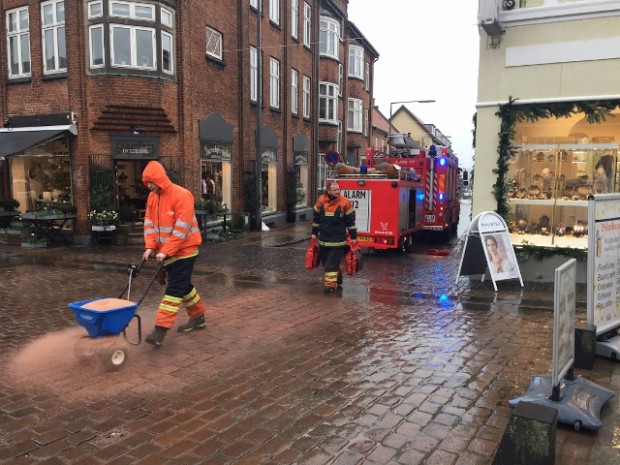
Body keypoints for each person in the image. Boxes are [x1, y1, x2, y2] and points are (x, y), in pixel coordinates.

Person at [142, 160, 208, 347]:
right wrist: (150, 247)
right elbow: (149, 223)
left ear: (159, 179)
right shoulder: (152, 197)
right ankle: (198, 317)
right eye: (146, 183)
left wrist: (165, 252)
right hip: (167, 252)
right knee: (183, 285)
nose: (149, 186)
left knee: (174, 290)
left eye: (151, 182)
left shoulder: (182, 195)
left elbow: (182, 228)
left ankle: (159, 331)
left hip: (186, 250)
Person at [311, 181, 357, 293]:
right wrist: (314, 233)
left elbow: (350, 222)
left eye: (338, 189)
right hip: (324, 240)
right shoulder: (321, 201)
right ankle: (338, 272)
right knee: (326, 262)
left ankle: (330, 286)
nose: (338, 191)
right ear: (329, 191)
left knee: (330, 264)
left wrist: (353, 237)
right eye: (335, 190)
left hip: (338, 240)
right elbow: (316, 219)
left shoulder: (345, 202)